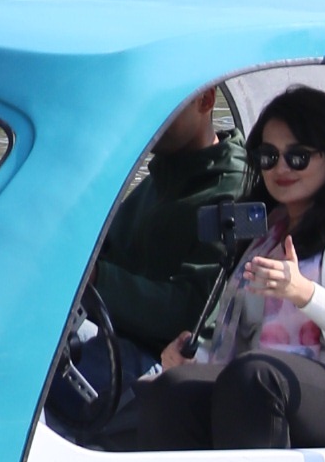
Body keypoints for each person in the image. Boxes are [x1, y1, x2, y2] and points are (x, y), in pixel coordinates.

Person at [99, 83, 325, 453]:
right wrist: (188, 360)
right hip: (275, 381)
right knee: (172, 390)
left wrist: (305, 294)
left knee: (254, 376)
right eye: (268, 156)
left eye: (297, 157)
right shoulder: (269, 233)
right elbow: (238, 331)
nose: (281, 168)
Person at [93, 86, 251, 355]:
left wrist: (98, 278)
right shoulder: (161, 177)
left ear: (207, 100)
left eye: (164, 105)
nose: (148, 120)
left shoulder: (234, 190)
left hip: (170, 360)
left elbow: (194, 310)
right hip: (112, 336)